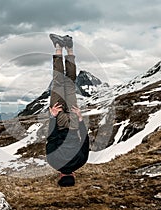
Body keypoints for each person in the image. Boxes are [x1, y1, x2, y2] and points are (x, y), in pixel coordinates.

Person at [46, 34, 90, 187]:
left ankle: (69, 48)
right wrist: (52, 117)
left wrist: (80, 119)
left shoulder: (81, 162)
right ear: (59, 176)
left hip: (73, 124)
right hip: (59, 123)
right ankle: (58, 47)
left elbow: (85, 140)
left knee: (70, 83)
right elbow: (51, 139)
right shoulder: (54, 163)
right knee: (59, 82)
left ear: (74, 176)